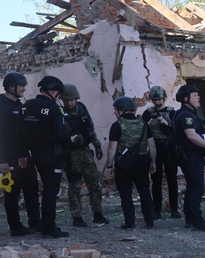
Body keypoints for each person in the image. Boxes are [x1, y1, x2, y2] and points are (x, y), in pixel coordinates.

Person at [23, 76, 75, 239]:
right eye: (58, 94)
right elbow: (61, 134)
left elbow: (21, 132)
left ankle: (42, 224)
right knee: (51, 191)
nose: (58, 97)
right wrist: (70, 141)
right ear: (53, 92)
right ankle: (49, 228)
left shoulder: (28, 105)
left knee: (45, 190)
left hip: (35, 155)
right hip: (53, 155)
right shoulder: (53, 109)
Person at [61, 83, 109, 227]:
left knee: (94, 184)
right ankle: (77, 217)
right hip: (71, 155)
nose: (69, 103)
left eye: (72, 100)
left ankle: (98, 214)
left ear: (76, 99)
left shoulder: (81, 108)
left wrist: (98, 145)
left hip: (86, 152)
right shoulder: (59, 113)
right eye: (66, 100)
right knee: (74, 187)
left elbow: (90, 128)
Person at [0, 72, 42, 236]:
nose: (24, 89)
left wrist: (25, 154)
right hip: (8, 156)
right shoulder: (1, 105)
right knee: (12, 192)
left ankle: (35, 222)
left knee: (32, 187)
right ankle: (16, 227)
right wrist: (2, 160)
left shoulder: (20, 105)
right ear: (11, 87)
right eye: (21, 85)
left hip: (23, 155)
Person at [173, 84, 205, 231]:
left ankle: (190, 219)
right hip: (191, 156)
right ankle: (197, 221)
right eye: (194, 95)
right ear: (186, 98)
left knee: (192, 188)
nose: (198, 97)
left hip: (193, 156)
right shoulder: (186, 115)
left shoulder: (189, 114)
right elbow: (191, 135)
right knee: (197, 189)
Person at [105, 96, 156, 229]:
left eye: (115, 110)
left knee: (125, 193)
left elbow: (112, 147)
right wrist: (153, 162)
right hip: (142, 161)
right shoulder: (144, 124)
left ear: (121, 110)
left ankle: (130, 222)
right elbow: (152, 146)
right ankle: (149, 220)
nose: (115, 113)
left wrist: (110, 165)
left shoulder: (117, 125)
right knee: (144, 191)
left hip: (123, 164)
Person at [142, 86, 180, 219]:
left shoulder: (171, 112)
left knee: (172, 180)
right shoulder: (148, 113)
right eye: (155, 100)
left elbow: (177, 130)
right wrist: (149, 124)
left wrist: (167, 123)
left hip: (168, 148)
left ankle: (174, 209)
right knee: (156, 180)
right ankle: (156, 209)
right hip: (154, 148)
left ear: (164, 98)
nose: (157, 102)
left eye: (159, 100)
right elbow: (141, 131)